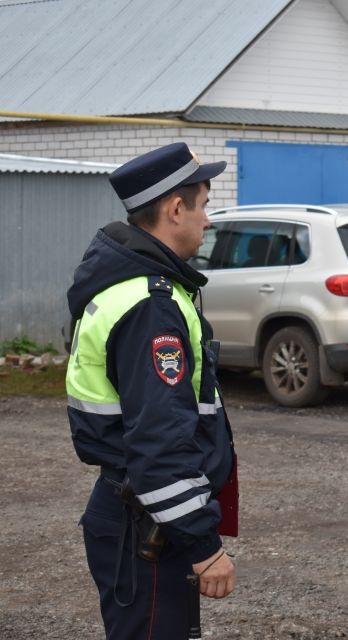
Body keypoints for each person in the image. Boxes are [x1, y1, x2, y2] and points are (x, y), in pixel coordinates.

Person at [66, 143, 238, 639]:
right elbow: (159, 445)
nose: (207, 220)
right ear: (175, 209)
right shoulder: (151, 305)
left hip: (135, 515)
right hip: (145, 527)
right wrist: (205, 548)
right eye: (203, 205)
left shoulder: (129, 286)